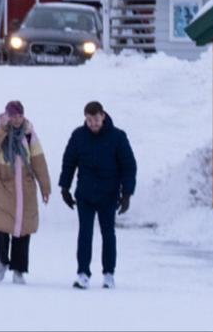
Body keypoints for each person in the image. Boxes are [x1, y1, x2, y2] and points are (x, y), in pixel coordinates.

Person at [59, 100, 137, 290]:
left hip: (108, 194)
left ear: (103, 116)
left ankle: (109, 274)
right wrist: (65, 188)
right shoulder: (78, 136)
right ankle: (83, 274)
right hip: (85, 194)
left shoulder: (117, 137)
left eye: (95, 119)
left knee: (108, 233)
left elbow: (128, 165)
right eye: (89, 120)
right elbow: (69, 161)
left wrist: (126, 193)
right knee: (84, 233)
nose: (92, 123)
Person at [0, 100, 52, 284]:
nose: (17, 119)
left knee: (23, 230)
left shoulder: (29, 135)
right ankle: (3, 261)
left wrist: (45, 187)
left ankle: (19, 270)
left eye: (20, 115)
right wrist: (3, 129)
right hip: (2, 185)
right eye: (13, 115)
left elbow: (38, 161)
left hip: (24, 187)